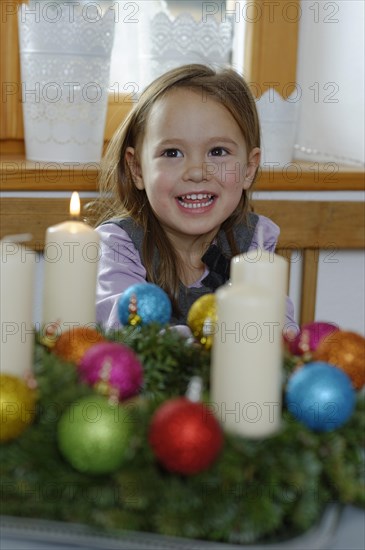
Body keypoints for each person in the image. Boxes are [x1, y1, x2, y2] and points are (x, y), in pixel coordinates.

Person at [94, 64, 297, 332]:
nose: (197, 172)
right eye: (172, 153)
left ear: (249, 168)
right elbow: (123, 329)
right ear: (137, 169)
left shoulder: (254, 241)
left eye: (218, 151)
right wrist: (216, 340)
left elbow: (280, 331)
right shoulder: (120, 245)